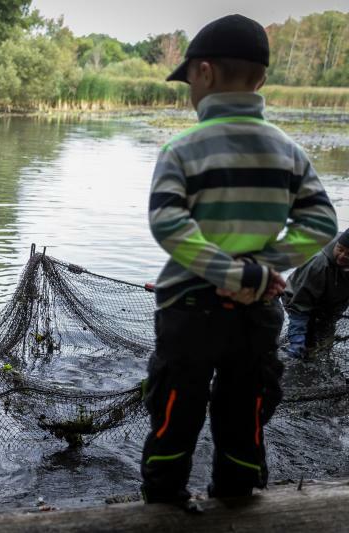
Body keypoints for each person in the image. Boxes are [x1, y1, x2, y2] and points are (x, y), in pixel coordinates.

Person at [142, 14, 337, 506]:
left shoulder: (182, 148)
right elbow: (321, 226)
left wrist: (229, 273)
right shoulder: (288, 151)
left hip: (188, 305)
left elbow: (169, 224)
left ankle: (163, 501)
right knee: (246, 406)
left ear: (204, 73)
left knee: (174, 404)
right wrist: (262, 269)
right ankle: (237, 496)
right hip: (257, 310)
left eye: (188, 81)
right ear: (263, 80)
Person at [282, 229, 349, 359]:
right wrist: (297, 338)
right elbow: (300, 306)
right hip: (298, 298)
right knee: (306, 345)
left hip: (333, 300)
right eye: (340, 249)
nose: (342, 256)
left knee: (324, 341)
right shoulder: (318, 265)